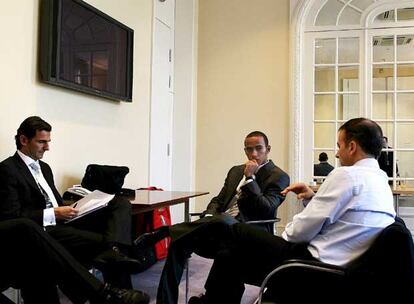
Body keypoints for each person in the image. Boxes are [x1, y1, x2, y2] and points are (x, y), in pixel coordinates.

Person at [188, 118, 396, 304]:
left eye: (339, 146)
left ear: (351, 147)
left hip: (311, 266)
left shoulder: (346, 175)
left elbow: (297, 233)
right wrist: (313, 200)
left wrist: (287, 230)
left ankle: (211, 297)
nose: (336, 153)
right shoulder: (380, 182)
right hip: (341, 267)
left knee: (234, 235)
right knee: (229, 254)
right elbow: (348, 219)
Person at [149, 131, 289, 303]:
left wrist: (250, 179)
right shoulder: (236, 171)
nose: (253, 154)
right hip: (218, 230)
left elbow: (266, 207)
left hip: (248, 235)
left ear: (268, 149)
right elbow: (219, 200)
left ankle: (164, 232)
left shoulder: (279, 176)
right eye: (249, 149)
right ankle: (166, 301)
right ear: (244, 150)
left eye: (258, 148)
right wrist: (209, 214)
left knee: (224, 222)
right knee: (181, 241)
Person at [0, 116, 140, 289]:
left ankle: (115, 250)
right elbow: (11, 217)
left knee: (120, 203)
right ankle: (117, 258)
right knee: (103, 243)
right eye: (42, 142)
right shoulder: (7, 169)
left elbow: (55, 201)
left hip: (65, 218)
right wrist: (54, 213)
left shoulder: (44, 168)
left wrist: (79, 207)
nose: (47, 147)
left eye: (48, 142)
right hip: (44, 231)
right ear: (23, 140)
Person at [0, 218, 149, 304]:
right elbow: (13, 214)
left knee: (116, 211)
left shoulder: (45, 170)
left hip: (50, 229)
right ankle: (102, 293)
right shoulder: (9, 168)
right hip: (37, 228)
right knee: (29, 235)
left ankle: (117, 253)